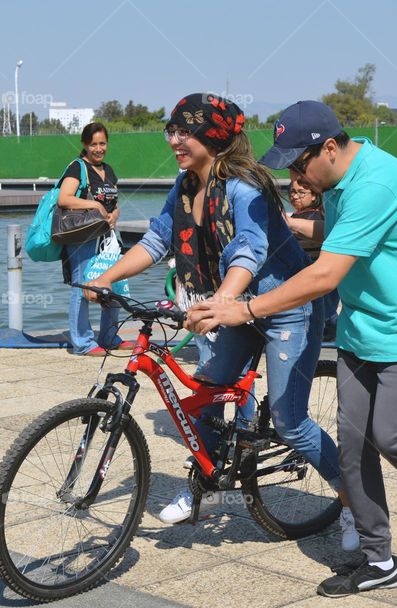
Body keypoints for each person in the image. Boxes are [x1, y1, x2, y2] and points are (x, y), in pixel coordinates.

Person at [189, 101, 397, 595]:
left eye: (298, 163)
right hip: (363, 330)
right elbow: (342, 239)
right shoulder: (342, 179)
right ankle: (379, 559)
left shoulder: (375, 184)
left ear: (329, 148)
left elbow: (327, 272)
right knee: (353, 450)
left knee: (395, 438)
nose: (295, 174)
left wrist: (245, 308)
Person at [83, 93, 357, 551]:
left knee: (290, 423)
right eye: (171, 131)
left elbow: (248, 249)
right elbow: (157, 240)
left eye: (184, 131)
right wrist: (106, 278)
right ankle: (205, 488)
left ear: (211, 136)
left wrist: (224, 300)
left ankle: (354, 505)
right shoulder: (186, 184)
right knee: (206, 391)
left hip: (285, 306)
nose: (175, 140)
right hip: (236, 307)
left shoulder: (244, 187)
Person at [57, 122, 129, 356]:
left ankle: (109, 336)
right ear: (85, 145)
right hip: (82, 237)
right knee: (82, 288)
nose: (99, 148)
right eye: (94, 144)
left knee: (113, 284)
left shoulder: (108, 170)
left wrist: (115, 214)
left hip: (107, 237)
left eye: (102, 143)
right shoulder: (78, 168)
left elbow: (115, 202)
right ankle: (83, 343)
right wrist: (95, 204)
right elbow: (64, 199)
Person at [286, 176, 340, 340]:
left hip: (313, 278)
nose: (295, 196)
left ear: (315, 196)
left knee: (322, 315)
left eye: (301, 192)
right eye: (292, 192)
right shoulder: (319, 216)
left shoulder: (306, 219)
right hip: (326, 282)